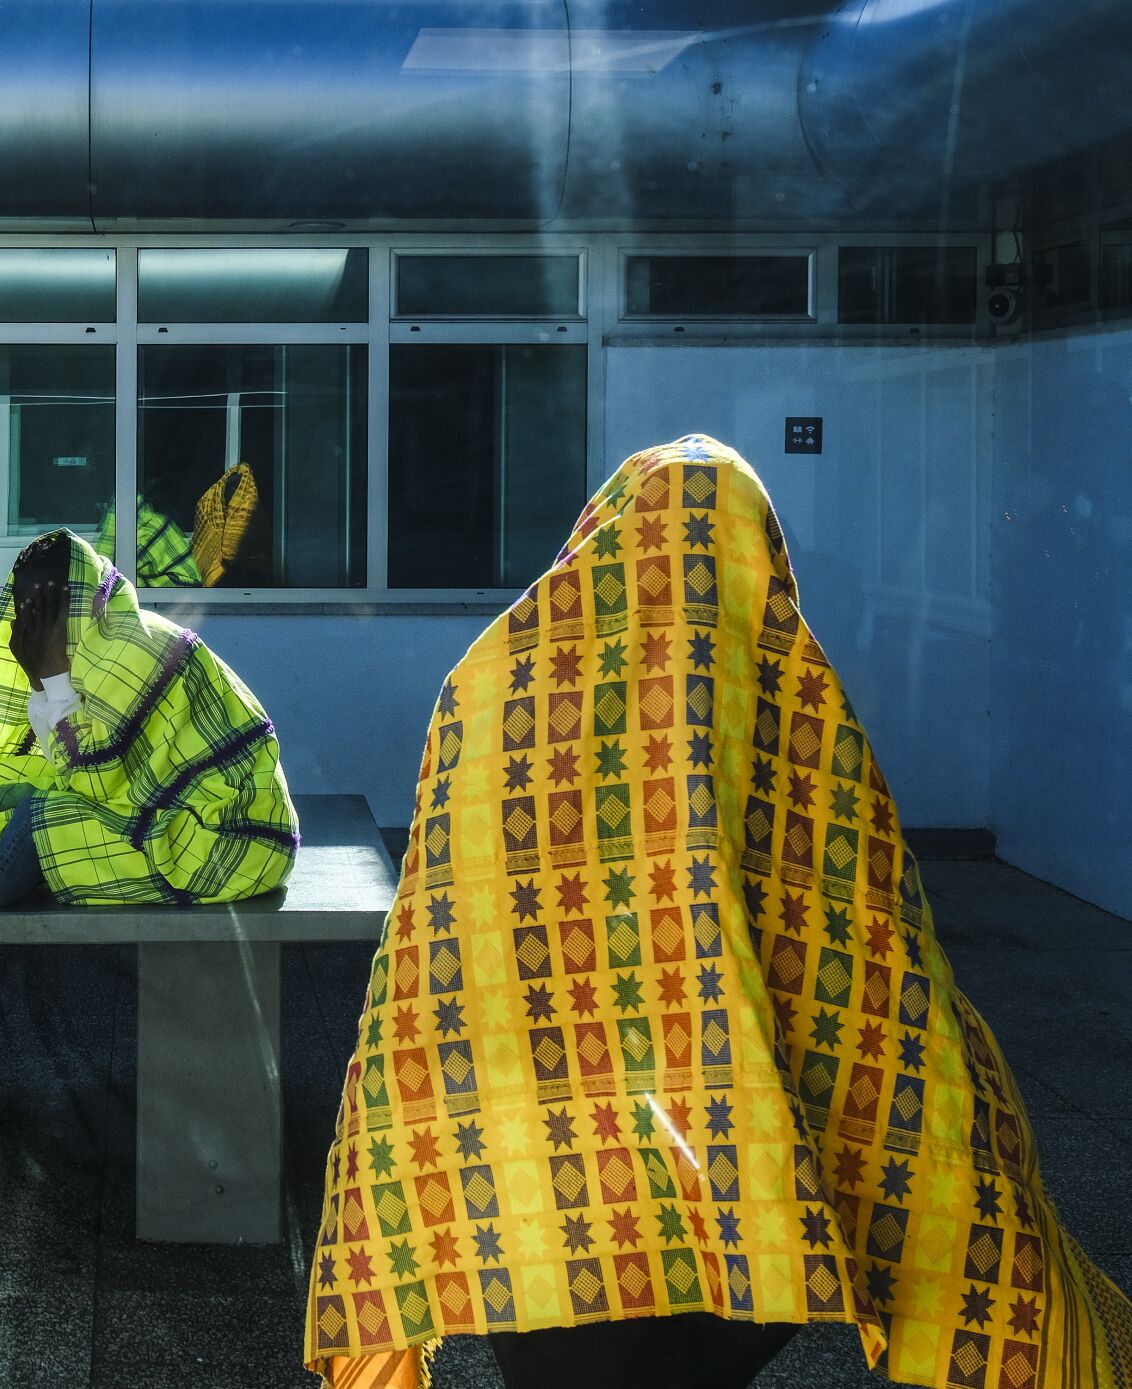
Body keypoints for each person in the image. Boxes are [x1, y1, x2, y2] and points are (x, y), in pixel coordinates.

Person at [304, 437, 1132, 1389]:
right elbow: (868, 948)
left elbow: (432, 943)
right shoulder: (793, 707)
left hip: (528, 1166)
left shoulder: (491, 691)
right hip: (733, 1178)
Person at [0, 528, 298, 1043]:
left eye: (46, 608)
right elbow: (86, 770)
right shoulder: (97, 643)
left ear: (78, 600)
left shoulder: (131, 650)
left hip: (233, 838)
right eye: (24, 609)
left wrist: (49, 676)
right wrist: (44, 679)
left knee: (40, 821)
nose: (32, 623)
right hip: (184, 814)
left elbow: (93, 782)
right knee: (6, 802)